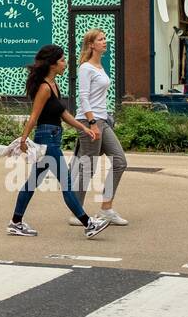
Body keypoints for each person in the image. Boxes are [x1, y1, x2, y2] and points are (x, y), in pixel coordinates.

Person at [8, 44, 110, 240]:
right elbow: (34, 116)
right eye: (62, 60)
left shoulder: (54, 85)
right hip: (47, 141)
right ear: (53, 64)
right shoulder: (45, 88)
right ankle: (88, 223)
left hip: (53, 136)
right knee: (67, 184)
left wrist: (84, 127)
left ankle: (16, 222)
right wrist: (23, 139)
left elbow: (63, 114)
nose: (65, 64)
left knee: (32, 183)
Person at [69, 29, 129, 226]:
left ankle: (106, 209)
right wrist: (92, 123)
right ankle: (77, 213)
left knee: (120, 161)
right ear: (91, 45)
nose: (105, 41)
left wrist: (101, 120)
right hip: (89, 121)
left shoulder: (100, 67)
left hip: (102, 120)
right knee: (88, 167)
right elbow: (83, 97)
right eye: (101, 39)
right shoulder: (86, 68)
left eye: (105, 38)